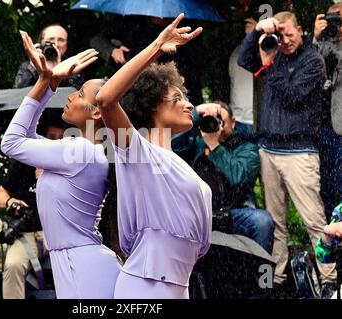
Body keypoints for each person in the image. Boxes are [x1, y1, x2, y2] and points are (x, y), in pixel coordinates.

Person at [95, 13, 212, 299]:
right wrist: (156, 47)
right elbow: (106, 99)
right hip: (144, 286)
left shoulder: (181, 164)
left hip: (179, 288)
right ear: (152, 105)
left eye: (186, 97)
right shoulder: (137, 151)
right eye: (177, 98)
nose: (188, 104)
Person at [1, 32, 121, 298]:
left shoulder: (78, 151)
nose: (70, 96)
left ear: (98, 111)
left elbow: (11, 142)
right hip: (78, 262)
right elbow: (28, 138)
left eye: (79, 93)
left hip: (84, 266)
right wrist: (49, 83)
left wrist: (46, 80)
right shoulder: (85, 151)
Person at [238, 11, 337, 298]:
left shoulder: (313, 60)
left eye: (289, 34)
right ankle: (278, 278)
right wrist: (258, 31)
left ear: (301, 30)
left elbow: (291, 96)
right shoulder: (273, 50)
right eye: (280, 35)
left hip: (300, 151)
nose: (285, 40)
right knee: (274, 221)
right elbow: (245, 59)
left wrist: (270, 66)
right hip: (269, 148)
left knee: (314, 220)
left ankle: (330, 280)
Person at [172, 101, 274, 254]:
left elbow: (238, 177)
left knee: (262, 221)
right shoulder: (195, 144)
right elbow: (172, 144)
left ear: (233, 123)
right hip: (199, 215)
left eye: (220, 120)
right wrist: (198, 112)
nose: (215, 124)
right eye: (210, 120)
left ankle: (256, 275)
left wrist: (214, 146)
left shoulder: (247, 148)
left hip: (235, 212)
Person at [0, 122, 64, 299]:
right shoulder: (24, 162)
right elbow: (0, 195)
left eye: (60, 139)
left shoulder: (69, 163)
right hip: (29, 233)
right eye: (51, 138)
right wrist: (11, 202)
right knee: (13, 265)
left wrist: (47, 181)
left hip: (60, 232)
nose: (55, 143)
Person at [90, 15, 204, 104]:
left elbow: (193, 71)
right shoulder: (133, 22)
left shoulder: (186, 29)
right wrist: (112, 50)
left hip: (175, 92)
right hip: (135, 92)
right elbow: (97, 40)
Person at [313, 4, 342, 221]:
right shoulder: (320, 45)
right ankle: (331, 233)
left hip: (340, 124)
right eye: (331, 20)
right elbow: (311, 68)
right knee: (326, 185)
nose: (335, 25)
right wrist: (315, 37)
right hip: (323, 126)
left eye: (338, 20)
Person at [13, 24, 83, 90]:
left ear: (66, 45)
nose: (56, 44)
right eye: (50, 40)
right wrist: (33, 67)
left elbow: (76, 96)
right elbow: (17, 94)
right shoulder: (28, 66)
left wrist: (57, 73)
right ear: (41, 43)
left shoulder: (73, 68)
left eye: (61, 40)